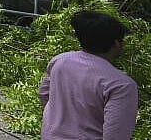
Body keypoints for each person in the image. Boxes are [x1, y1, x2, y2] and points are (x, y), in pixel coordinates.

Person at [39, 10, 138, 140]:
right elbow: (115, 135)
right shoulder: (121, 85)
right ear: (116, 43)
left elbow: (44, 94)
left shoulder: (60, 61)